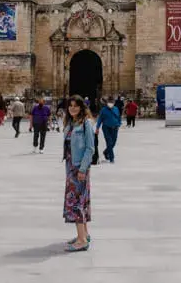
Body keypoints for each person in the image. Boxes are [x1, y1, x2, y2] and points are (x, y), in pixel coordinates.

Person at [62, 95, 94, 252]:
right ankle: (84, 234)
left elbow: (90, 148)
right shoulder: (70, 123)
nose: (73, 108)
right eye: (70, 106)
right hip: (71, 168)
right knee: (81, 201)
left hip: (79, 169)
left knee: (76, 203)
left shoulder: (86, 123)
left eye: (76, 105)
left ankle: (81, 241)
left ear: (82, 107)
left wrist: (82, 169)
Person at [96, 97, 121, 163]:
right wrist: (97, 128)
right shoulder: (103, 110)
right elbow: (100, 119)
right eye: (109, 102)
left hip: (115, 128)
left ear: (114, 103)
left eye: (112, 102)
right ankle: (111, 158)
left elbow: (118, 117)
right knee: (109, 142)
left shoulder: (116, 109)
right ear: (107, 103)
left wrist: (119, 124)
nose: (110, 104)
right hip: (106, 128)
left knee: (113, 143)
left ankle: (106, 152)